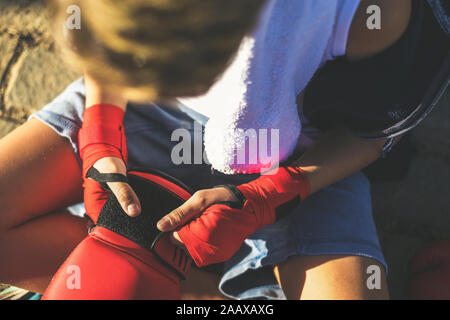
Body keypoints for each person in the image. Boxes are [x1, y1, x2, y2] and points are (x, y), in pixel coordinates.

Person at [1, 0, 427, 299]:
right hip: (132, 113)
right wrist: (100, 129)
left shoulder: (370, 13)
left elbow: (373, 133)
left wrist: (271, 195)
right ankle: (187, 287)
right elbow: (104, 45)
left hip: (301, 154)